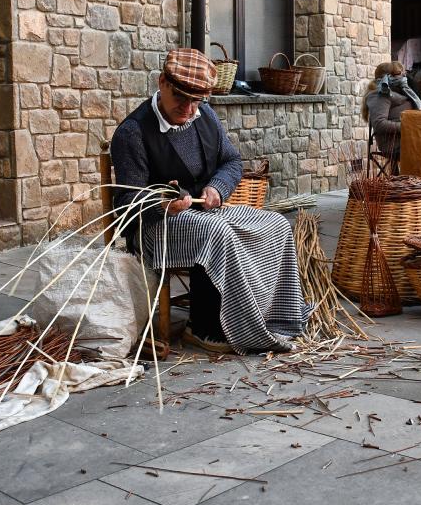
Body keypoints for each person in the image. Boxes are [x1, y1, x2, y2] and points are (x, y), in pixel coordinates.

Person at [110, 48, 310, 354]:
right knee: (218, 234)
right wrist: (162, 204)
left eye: (196, 101)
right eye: (182, 99)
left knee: (277, 223)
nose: (189, 109)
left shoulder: (205, 117)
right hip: (155, 228)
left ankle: (269, 313)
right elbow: (126, 201)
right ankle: (205, 327)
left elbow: (231, 161)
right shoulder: (133, 132)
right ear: (162, 82)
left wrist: (217, 188)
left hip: (205, 214)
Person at [362, 61, 421, 162]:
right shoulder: (380, 94)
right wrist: (407, 126)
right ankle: (418, 177)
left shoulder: (400, 91)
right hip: (393, 144)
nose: (404, 75)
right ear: (388, 77)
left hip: (407, 138)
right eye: (400, 73)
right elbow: (380, 124)